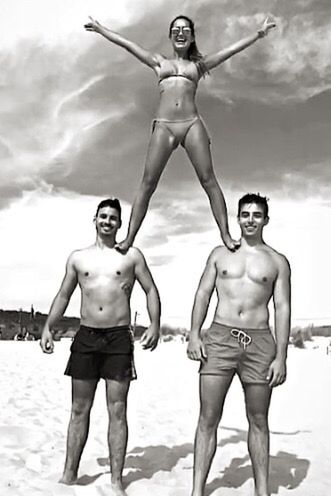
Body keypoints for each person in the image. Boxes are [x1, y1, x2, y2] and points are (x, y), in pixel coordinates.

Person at [84, 15, 276, 253]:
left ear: (192, 36)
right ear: (171, 35)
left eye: (185, 29)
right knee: (147, 183)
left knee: (209, 180)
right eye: (176, 29)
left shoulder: (198, 66)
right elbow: (128, 45)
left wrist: (259, 34)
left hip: (191, 124)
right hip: (164, 125)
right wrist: (102, 29)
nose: (180, 32)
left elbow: (230, 51)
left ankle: (226, 235)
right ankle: (129, 238)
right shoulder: (158, 62)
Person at [40, 198, 161, 496]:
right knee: (79, 409)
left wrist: (155, 324)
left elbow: (150, 289)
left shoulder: (131, 256)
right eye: (103, 216)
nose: (107, 221)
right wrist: (48, 326)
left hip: (118, 338)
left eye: (113, 218)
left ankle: (117, 480)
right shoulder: (78, 258)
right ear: (94, 220)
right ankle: (69, 474)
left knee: (117, 410)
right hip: (86, 337)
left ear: (120, 224)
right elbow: (63, 295)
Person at [187, 193, 291, 496]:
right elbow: (203, 293)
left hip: (259, 343)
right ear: (238, 218)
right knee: (208, 417)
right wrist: (195, 333)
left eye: (256, 215)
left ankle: (262, 491)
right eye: (245, 214)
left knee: (258, 419)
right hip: (220, 338)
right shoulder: (220, 254)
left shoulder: (277, 262)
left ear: (266, 220)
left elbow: (282, 308)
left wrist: (281, 356)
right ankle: (197, 491)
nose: (250, 219)